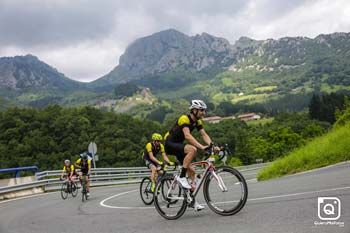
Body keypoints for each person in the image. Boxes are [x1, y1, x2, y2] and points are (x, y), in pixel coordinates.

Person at [164, 100, 220, 211]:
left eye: (204, 110)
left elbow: (203, 134)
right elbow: (188, 136)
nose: (204, 112)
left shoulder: (198, 122)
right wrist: (201, 147)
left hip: (179, 146)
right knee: (192, 149)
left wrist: (212, 146)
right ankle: (181, 177)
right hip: (170, 144)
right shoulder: (184, 119)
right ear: (194, 110)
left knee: (193, 172)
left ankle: (191, 201)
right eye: (202, 110)